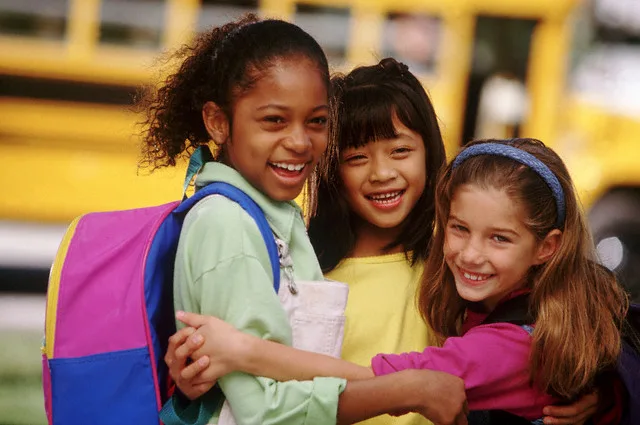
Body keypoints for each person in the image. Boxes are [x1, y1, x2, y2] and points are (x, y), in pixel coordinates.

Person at [168, 57, 600, 425]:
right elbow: (257, 390)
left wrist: (603, 393)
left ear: (430, 153)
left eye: (400, 151)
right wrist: (197, 381)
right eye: (356, 158)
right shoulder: (302, 265)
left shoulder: (454, 266)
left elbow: (574, 317)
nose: (381, 174)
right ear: (331, 168)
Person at [138, 14, 468, 425]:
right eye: (274, 119)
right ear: (218, 122)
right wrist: (406, 389)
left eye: (315, 122)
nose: (298, 142)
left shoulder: (272, 221)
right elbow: (262, 410)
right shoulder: (227, 224)